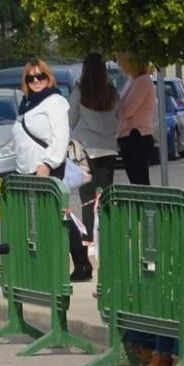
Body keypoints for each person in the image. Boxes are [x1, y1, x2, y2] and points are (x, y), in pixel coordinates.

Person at [12, 58, 92, 282]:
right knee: (36, 221)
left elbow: (61, 136)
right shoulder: (27, 103)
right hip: (26, 169)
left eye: (41, 77)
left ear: (49, 78)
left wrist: (47, 164)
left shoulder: (55, 102)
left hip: (46, 169)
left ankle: (79, 263)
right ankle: (38, 266)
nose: (36, 81)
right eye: (31, 77)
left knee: (53, 219)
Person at [69, 52, 120, 242]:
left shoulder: (80, 91)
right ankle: (107, 233)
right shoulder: (111, 92)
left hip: (85, 149)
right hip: (108, 148)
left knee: (87, 197)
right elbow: (118, 117)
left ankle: (90, 235)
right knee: (105, 195)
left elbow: (71, 118)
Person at [116, 52, 157, 185]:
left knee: (139, 179)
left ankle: (144, 205)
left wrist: (117, 103)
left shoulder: (142, 81)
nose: (119, 65)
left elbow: (127, 110)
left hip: (136, 135)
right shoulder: (133, 80)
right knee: (136, 179)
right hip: (128, 135)